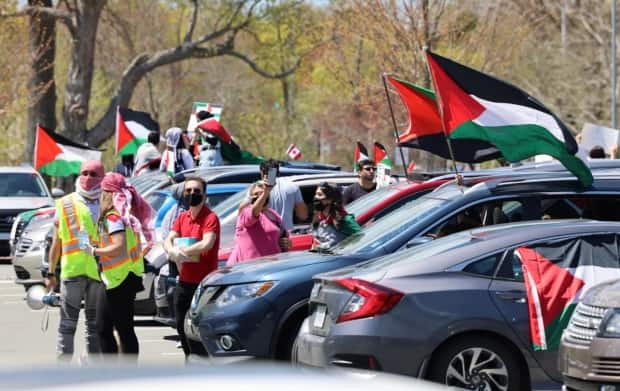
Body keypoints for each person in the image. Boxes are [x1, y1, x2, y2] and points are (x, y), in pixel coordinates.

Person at [79, 172, 155, 360]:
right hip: (122, 277)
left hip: (119, 279)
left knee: (113, 328)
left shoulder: (113, 218)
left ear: (107, 194)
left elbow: (119, 246)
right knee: (114, 327)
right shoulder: (122, 216)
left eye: (102, 192)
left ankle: (119, 375)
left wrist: (94, 252)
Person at [45, 160, 104, 362]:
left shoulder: (108, 201)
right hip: (72, 273)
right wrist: (50, 272)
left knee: (94, 326)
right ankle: (63, 370)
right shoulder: (64, 203)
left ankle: (93, 369)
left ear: (102, 177)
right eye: (84, 173)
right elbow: (56, 242)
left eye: (93, 174)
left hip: (98, 272)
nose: (88, 178)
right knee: (67, 325)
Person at [163, 176, 220, 359]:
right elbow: (168, 239)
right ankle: (190, 360)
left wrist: (183, 251)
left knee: (199, 326)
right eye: (188, 191)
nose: (192, 194)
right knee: (180, 323)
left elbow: (207, 243)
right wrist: (171, 250)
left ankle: (201, 363)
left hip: (204, 284)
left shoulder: (210, 217)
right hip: (185, 281)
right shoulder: (182, 217)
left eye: (196, 191)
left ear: (204, 194)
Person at [227, 181, 290, 266]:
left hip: (271, 266)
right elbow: (253, 213)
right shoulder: (246, 211)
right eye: (256, 194)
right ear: (251, 197)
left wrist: (287, 243)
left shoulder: (273, 214)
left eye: (262, 193)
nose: (260, 196)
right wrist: (266, 191)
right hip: (248, 268)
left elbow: (284, 237)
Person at [260, 159, 308, 231]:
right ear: (278, 171)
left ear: (261, 173)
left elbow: (243, 211)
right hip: (286, 235)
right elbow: (303, 215)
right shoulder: (292, 186)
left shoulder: (256, 187)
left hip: (265, 234)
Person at [311, 182, 361, 250]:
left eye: (320, 195)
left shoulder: (345, 220)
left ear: (330, 199)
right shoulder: (318, 218)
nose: (316, 197)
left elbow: (361, 239)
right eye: (316, 194)